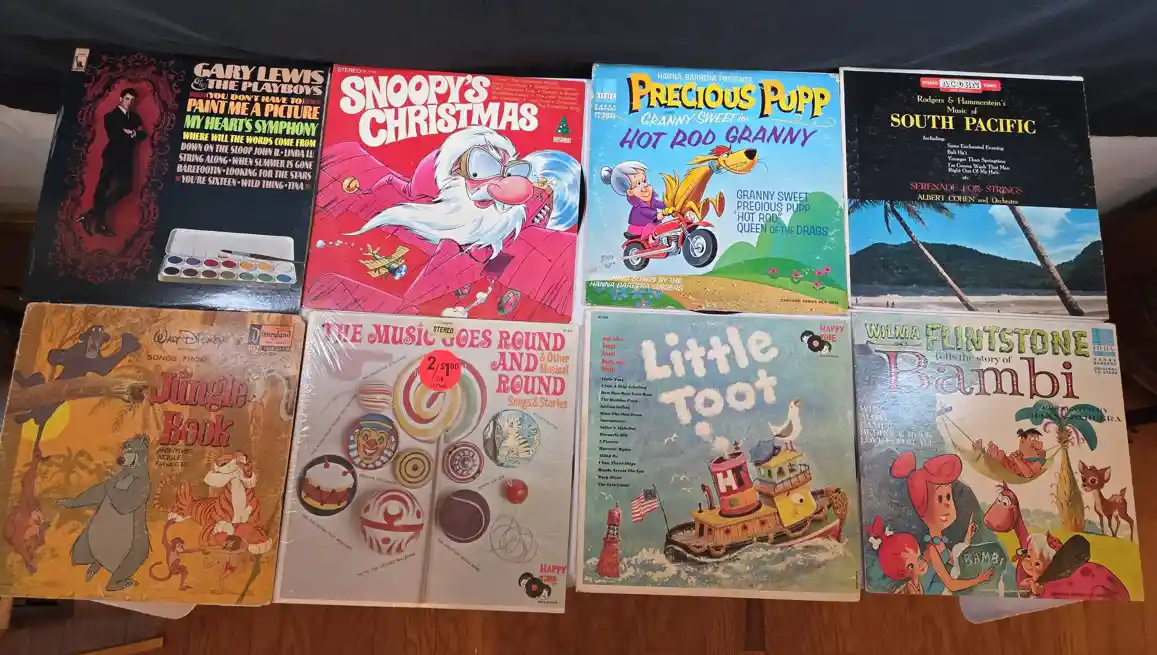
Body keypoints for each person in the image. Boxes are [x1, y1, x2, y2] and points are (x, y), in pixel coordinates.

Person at [891, 451, 994, 594]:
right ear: (923, 508)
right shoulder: (932, 549)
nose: (947, 505)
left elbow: (956, 559)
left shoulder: (938, 543)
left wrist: (968, 537)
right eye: (940, 499)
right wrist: (978, 580)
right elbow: (951, 584)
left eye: (948, 497)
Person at [79, 87, 147, 236]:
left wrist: (131, 132)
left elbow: (143, 134)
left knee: (126, 187)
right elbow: (115, 135)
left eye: (132, 100)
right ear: (121, 99)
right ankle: (100, 224)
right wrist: (131, 133)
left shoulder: (134, 117)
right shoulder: (111, 116)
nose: (129, 102)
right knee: (103, 186)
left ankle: (92, 214)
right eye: (127, 99)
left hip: (127, 156)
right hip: (112, 154)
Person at [600, 161, 669, 242]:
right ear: (630, 192)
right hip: (640, 227)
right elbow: (646, 212)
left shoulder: (651, 201)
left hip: (649, 224)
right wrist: (656, 215)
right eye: (638, 183)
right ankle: (651, 243)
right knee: (652, 228)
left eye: (644, 181)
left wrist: (669, 204)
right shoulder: (640, 206)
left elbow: (658, 203)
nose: (644, 187)